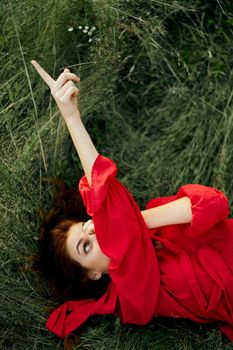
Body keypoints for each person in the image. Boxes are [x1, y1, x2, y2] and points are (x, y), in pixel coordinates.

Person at [31, 60, 233, 346]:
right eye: (85, 247)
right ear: (93, 274)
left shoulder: (149, 221)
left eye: (88, 227)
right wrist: (71, 118)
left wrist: (142, 219)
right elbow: (112, 211)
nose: (95, 233)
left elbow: (215, 205)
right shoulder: (134, 294)